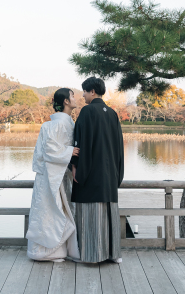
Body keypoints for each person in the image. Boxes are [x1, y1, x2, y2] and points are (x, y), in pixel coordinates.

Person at [70, 77, 124, 264]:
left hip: (92, 172)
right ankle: (113, 254)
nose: (83, 95)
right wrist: (118, 173)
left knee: (91, 215)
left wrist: (76, 166)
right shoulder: (112, 113)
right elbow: (119, 147)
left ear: (92, 91)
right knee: (109, 215)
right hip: (110, 174)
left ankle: (93, 255)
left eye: (85, 91)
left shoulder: (87, 111)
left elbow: (80, 141)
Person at [26, 88, 81, 261]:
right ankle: (47, 251)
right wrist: (70, 151)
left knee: (58, 209)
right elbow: (49, 150)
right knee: (50, 210)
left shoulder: (64, 123)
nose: (75, 98)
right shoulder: (55, 124)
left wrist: (69, 154)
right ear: (66, 101)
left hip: (60, 173)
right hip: (51, 175)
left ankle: (58, 249)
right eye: (72, 96)